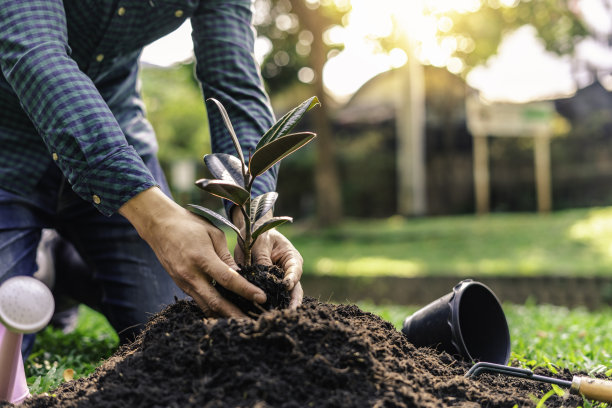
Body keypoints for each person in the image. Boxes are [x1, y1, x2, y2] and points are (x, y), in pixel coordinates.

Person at [0, 0, 304, 354]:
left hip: (115, 131)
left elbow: (234, 84)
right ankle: (38, 263)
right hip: (9, 147)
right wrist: (156, 216)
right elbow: (36, 53)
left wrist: (253, 216)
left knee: (175, 320)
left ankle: (65, 269)